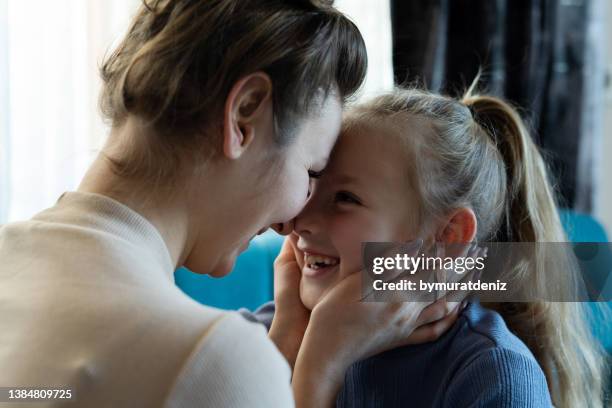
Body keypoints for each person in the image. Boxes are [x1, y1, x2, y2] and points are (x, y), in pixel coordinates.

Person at [0, 1, 463, 407]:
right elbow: (523, 268)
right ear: (244, 116)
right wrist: (323, 364)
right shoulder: (212, 360)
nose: (291, 224)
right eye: (310, 171)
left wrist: (283, 339)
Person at [244, 86, 607, 407]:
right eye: (310, 187)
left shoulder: (495, 377)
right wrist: (287, 346)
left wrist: (321, 368)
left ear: (447, 238)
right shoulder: (264, 334)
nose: (299, 220)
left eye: (344, 198)